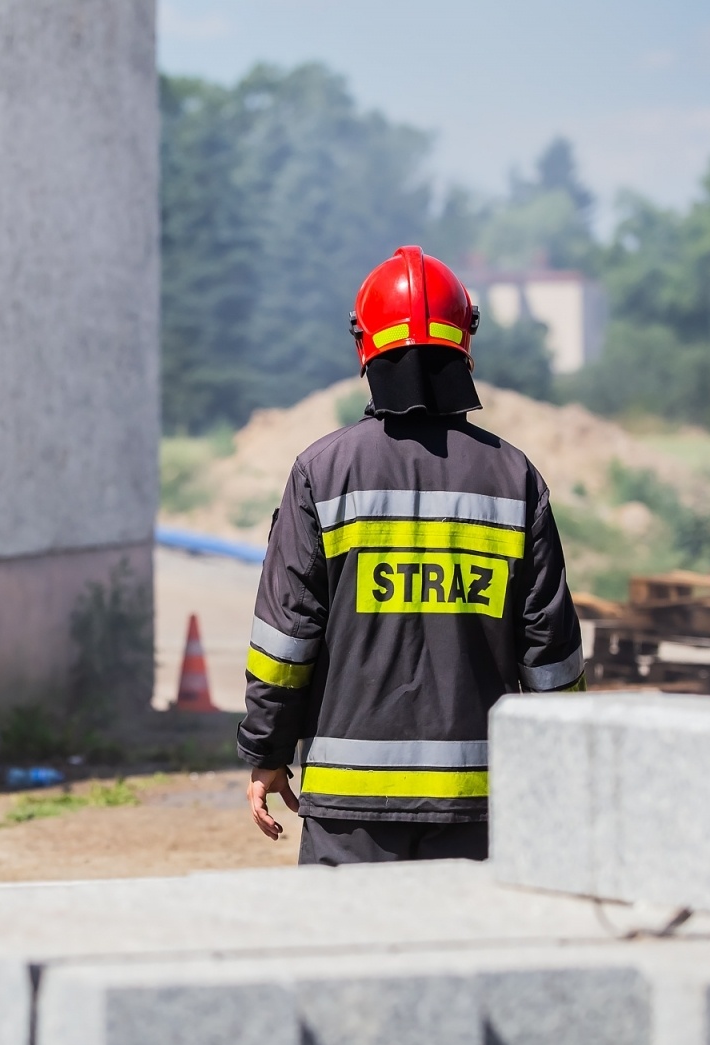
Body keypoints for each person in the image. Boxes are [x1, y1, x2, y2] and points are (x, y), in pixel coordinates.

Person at [239, 247, 585, 866]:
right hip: (480, 808)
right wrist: (567, 764)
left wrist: (267, 752)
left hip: (351, 813)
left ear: (363, 344)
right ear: (465, 344)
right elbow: (551, 653)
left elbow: (286, 639)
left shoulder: (322, 473)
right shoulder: (514, 478)